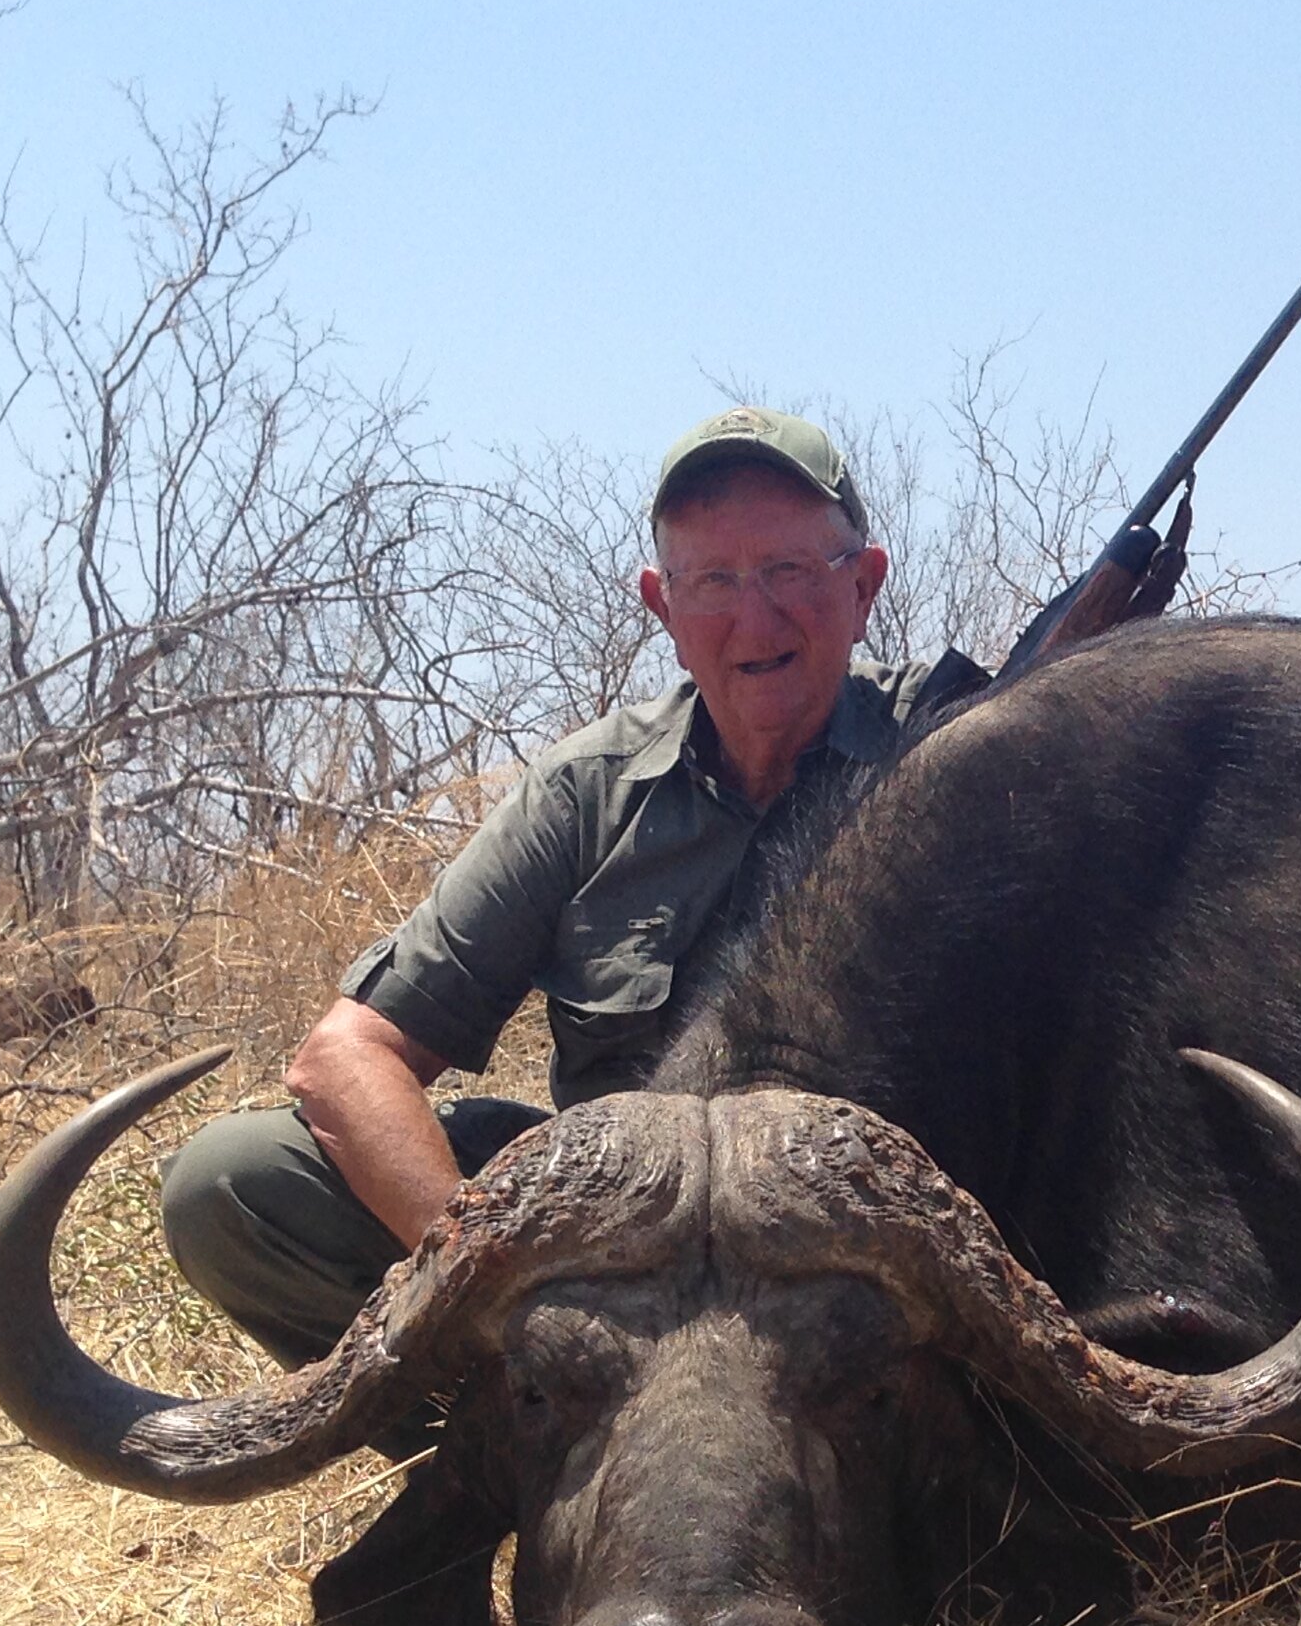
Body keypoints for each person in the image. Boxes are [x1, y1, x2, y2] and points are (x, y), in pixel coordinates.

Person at [161, 406, 987, 1370]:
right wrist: (490, 1286)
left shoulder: (959, 753)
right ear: (662, 607)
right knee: (232, 1184)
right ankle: (527, 1463)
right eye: (713, 579)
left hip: (878, 1263)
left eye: (792, 572)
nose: (755, 618)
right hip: (621, 1260)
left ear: (866, 586)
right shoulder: (586, 790)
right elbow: (345, 1060)